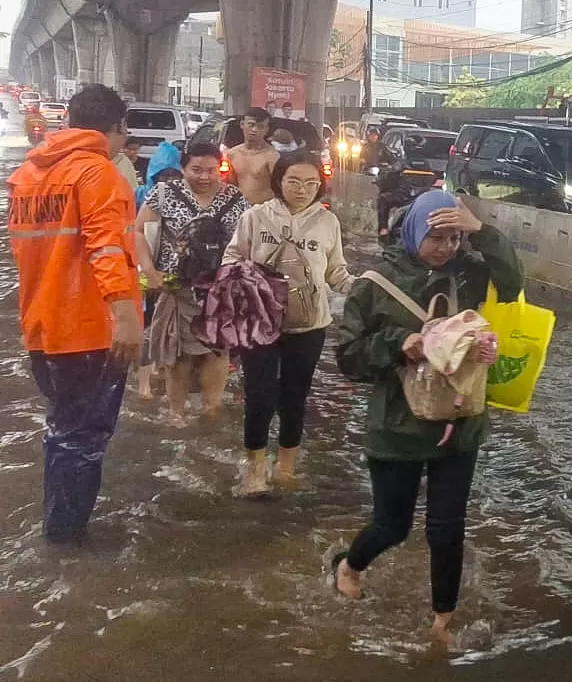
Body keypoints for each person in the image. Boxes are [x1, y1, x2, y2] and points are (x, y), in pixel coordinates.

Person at [335, 191, 523, 643]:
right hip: (397, 425)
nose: (445, 247)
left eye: (454, 237)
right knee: (392, 525)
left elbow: (513, 284)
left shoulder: (469, 275)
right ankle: (349, 564)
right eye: (436, 237)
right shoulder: (375, 284)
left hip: (458, 422)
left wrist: (483, 231)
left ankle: (443, 620)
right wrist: (398, 342)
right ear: (414, 229)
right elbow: (347, 357)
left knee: (447, 527)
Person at [7, 84, 142, 545]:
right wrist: (125, 317)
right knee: (83, 439)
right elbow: (108, 248)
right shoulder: (98, 173)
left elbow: (23, 254)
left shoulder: (28, 175)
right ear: (118, 127)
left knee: (61, 431)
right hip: (88, 331)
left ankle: (57, 531)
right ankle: (66, 540)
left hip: (42, 329)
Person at [222, 150, 355, 496]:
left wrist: (360, 287)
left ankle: (286, 467)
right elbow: (232, 258)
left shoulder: (328, 223)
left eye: (311, 182)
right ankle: (254, 469)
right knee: (259, 394)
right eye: (294, 181)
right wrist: (241, 280)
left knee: (296, 396)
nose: (302, 189)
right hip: (259, 322)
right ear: (279, 180)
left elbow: (335, 271)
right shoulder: (255, 217)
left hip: (309, 325)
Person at [133, 143, 250, 426]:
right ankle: (176, 413)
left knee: (217, 353)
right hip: (177, 288)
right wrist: (149, 270)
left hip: (222, 292)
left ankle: (211, 410)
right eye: (196, 170)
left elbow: (248, 241)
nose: (205, 177)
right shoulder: (164, 193)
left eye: (211, 170)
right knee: (178, 354)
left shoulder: (236, 199)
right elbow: (137, 231)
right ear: (183, 168)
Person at [133, 142, 183, 399]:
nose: (168, 181)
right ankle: (143, 385)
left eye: (174, 176)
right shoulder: (140, 196)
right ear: (154, 175)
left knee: (171, 323)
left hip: (174, 273)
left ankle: (161, 368)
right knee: (148, 324)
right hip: (146, 270)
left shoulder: (186, 200)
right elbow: (130, 233)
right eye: (163, 176)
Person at [226, 107, 279, 205]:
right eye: (251, 125)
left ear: (266, 129)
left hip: (262, 211)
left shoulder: (272, 156)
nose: (254, 130)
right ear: (242, 124)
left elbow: (280, 188)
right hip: (238, 210)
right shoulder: (231, 154)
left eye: (260, 126)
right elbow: (229, 185)